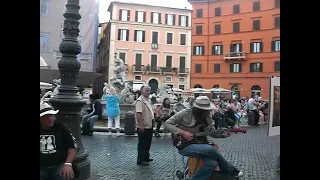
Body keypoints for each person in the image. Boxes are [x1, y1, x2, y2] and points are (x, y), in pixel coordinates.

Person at [164, 96, 243, 179]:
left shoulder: (208, 117)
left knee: (212, 163)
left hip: (201, 144)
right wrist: (182, 132)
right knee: (211, 149)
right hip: (185, 145)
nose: (207, 111)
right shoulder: (185, 113)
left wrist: (223, 135)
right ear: (198, 109)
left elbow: (211, 133)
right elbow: (167, 124)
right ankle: (231, 170)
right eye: (205, 110)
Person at [40, 103, 78, 180]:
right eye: (46, 116)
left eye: (51, 116)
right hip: (41, 167)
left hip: (59, 165)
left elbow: (72, 147)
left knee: (65, 175)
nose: (50, 118)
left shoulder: (61, 128)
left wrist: (67, 164)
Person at [135, 85, 154, 166]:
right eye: (147, 90)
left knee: (148, 142)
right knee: (142, 143)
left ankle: (146, 157)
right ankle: (140, 159)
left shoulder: (147, 100)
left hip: (149, 125)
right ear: (142, 91)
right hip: (143, 126)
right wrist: (141, 125)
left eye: (149, 90)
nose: (148, 92)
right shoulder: (140, 101)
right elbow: (138, 113)